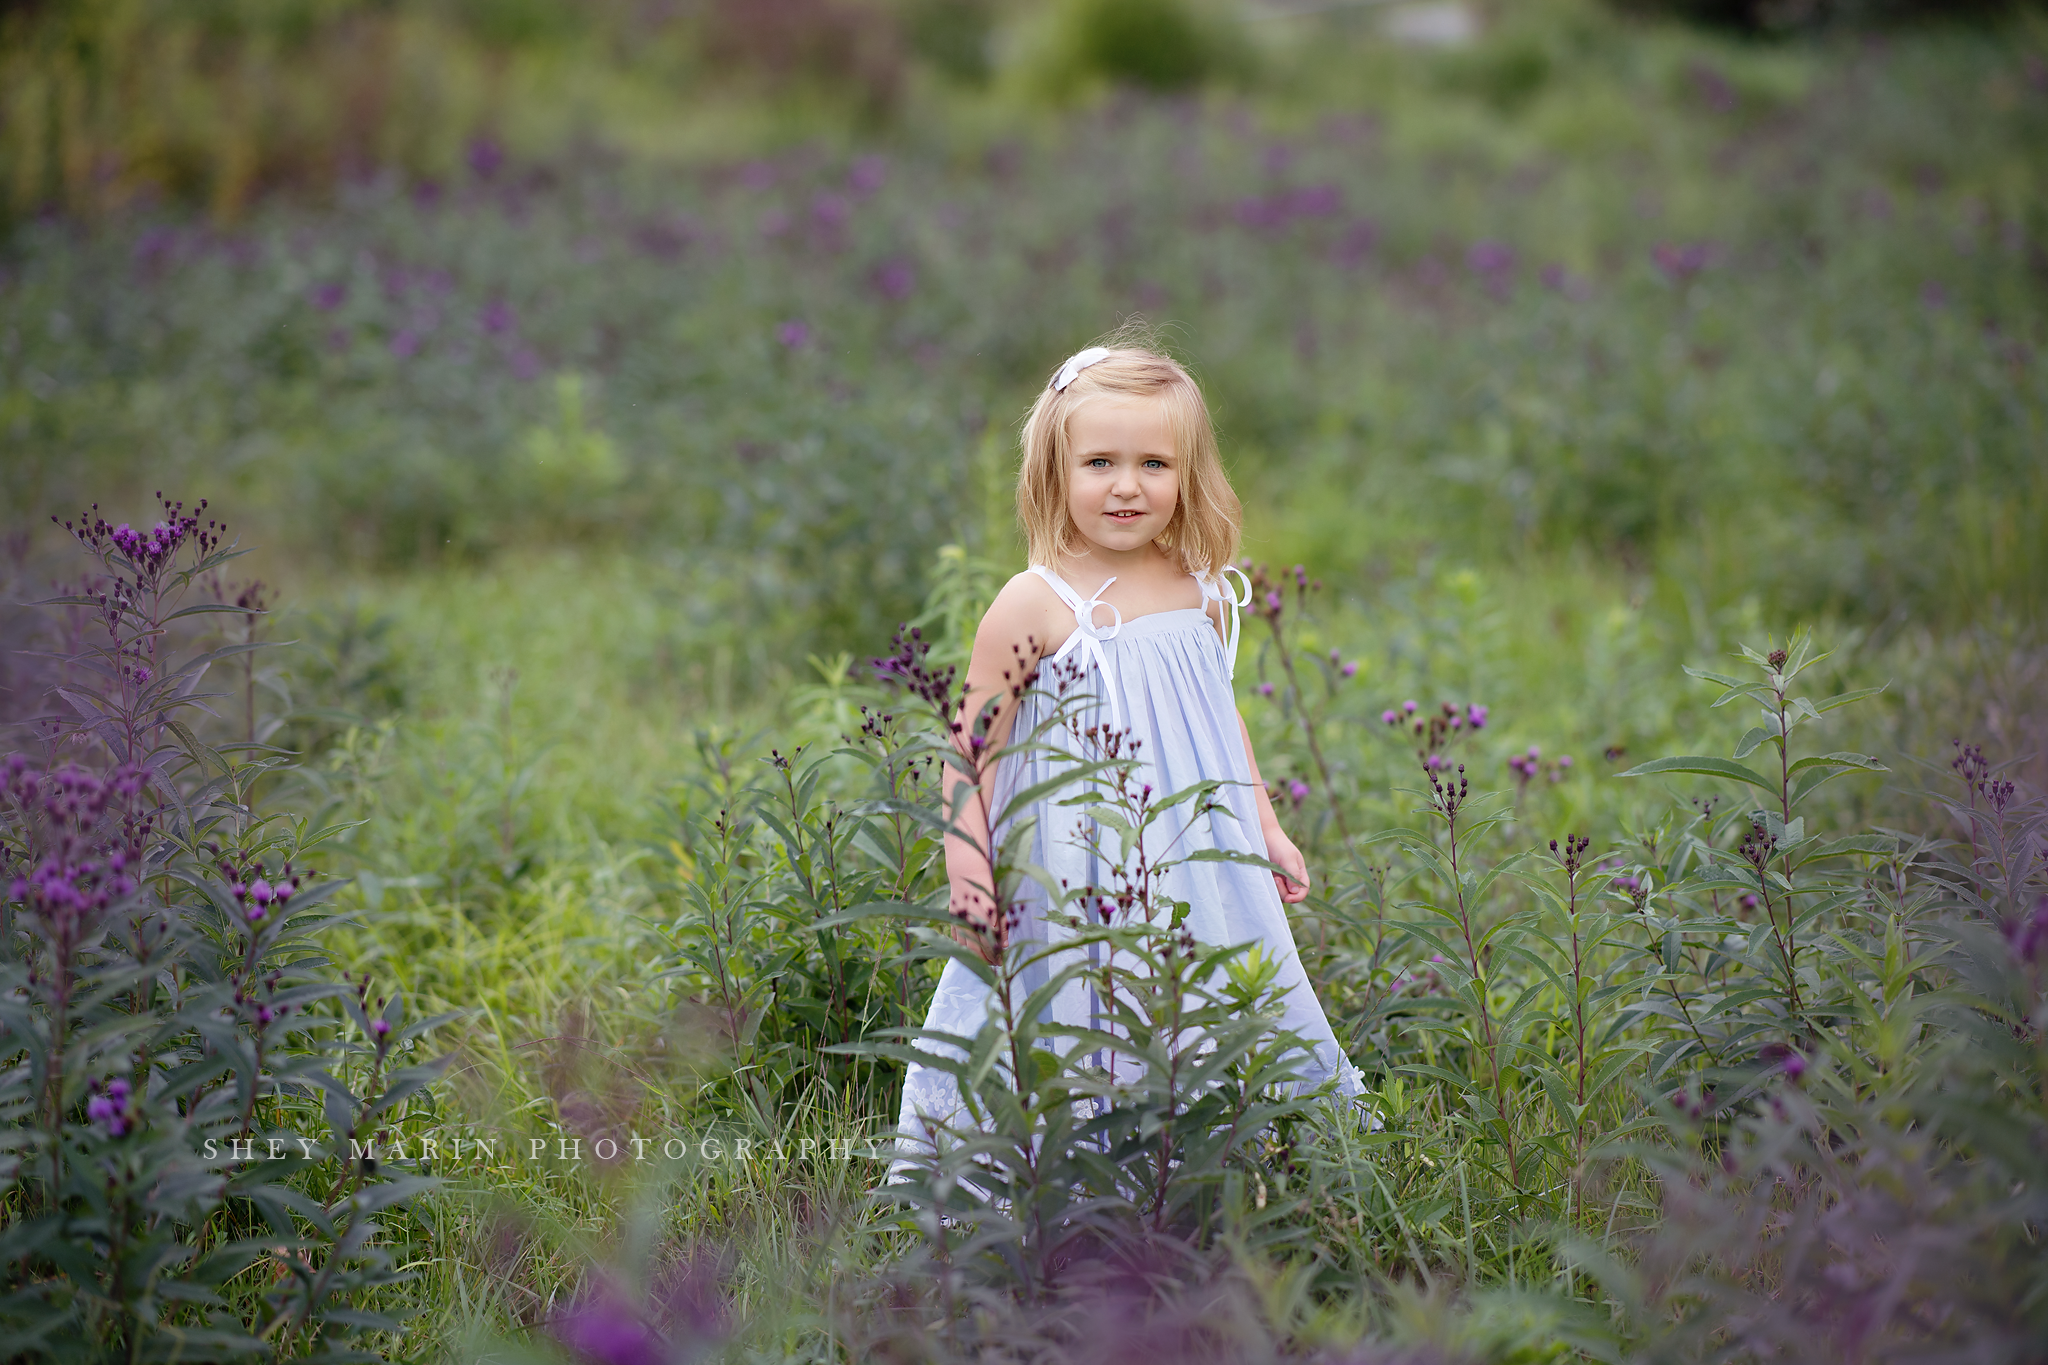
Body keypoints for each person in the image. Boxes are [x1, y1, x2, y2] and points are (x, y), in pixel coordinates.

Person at [894, 335, 1363, 1155]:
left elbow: (1219, 721)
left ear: (1188, 475)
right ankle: (1073, 1168)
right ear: (1055, 471)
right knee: (1084, 1000)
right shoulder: (1034, 603)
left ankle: (1220, 1151)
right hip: (1075, 859)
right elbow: (971, 749)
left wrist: (1268, 827)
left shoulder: (1200, 588)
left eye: (1154, 463)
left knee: (1206, 977)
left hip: (1194, 846)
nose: (1126, 486)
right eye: (1100, 462)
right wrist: (970, 879)